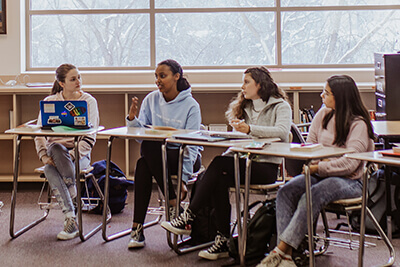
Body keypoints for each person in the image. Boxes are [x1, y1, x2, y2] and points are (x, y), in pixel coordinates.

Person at [161, 66, 292, 260]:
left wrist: (249, 129)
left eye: (247, 82)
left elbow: (282, 132)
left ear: (260, 84)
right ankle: (222, 240)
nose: (243, 86)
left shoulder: (280, 106)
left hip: (266, 167)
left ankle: (188, 216)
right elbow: (242, 140)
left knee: (219, 165)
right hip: (244, 162)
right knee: (218, 177)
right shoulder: (245, 107)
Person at [256, 75, 375, 267]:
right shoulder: (323, 113)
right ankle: (287, 257)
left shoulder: (358, 124)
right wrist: (317, 165)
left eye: (326, 93)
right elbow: (310, 145)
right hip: (320, 173)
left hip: (351, 182)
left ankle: (280, 252)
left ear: (341, 97)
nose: (322, 96)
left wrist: (319, 166)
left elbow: (350, 164)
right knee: (286, 191)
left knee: (312, 195)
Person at [127, 59, 202, 249]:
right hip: (157, 155)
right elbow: (139, 137)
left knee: (148, 154)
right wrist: (132, 119)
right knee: (145, 159)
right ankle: (165, 206)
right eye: (156, 76)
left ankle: (138, 228)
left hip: (183, 156)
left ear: (176, 77)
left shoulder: (191, 105)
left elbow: (192, 146)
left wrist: (183, 179)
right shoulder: (151, 99)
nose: (158, 80)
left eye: (163, 76)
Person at [34, 64, 99, 240]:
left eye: (79, 77)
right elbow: (39, 134)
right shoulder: (49, 102)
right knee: (55, 148)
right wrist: (44, 156)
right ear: (61, 83)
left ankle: (70, 217)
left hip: (80, 156)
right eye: (73, 79)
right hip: (54, 154)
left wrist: (69, 157)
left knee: (50, 170)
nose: (78, 81)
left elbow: (90, 138)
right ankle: (71, 212)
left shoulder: (88, 101)